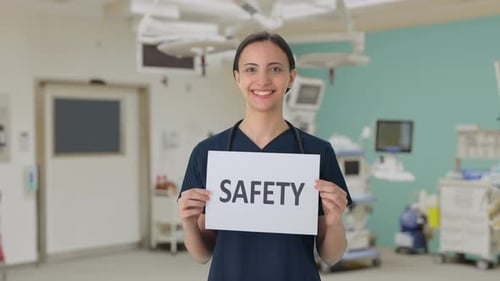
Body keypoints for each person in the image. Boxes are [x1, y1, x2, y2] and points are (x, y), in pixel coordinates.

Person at [177, 31, 352, 281]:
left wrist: (334, 221)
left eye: (275, 69)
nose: (263, 80)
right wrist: (188, 223)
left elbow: (331, 256)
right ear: (237, 77)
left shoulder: (318, 153)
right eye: (250, 69)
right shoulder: (208, 154)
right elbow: (202, 254)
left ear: (291, 77)